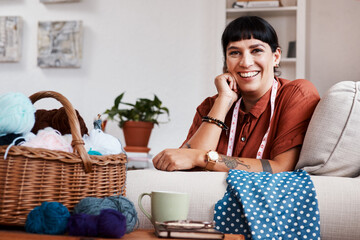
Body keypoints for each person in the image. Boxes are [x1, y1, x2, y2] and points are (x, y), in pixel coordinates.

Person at [153, 16, 320, 173]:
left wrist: (203, 158)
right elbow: (187, 167)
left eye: (256, 51)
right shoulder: (210, 106)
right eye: (234, 53)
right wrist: (224, 100)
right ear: (226, 62)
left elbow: (282, 167)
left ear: (276, 57)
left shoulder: (297, 94)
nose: (245, 62)